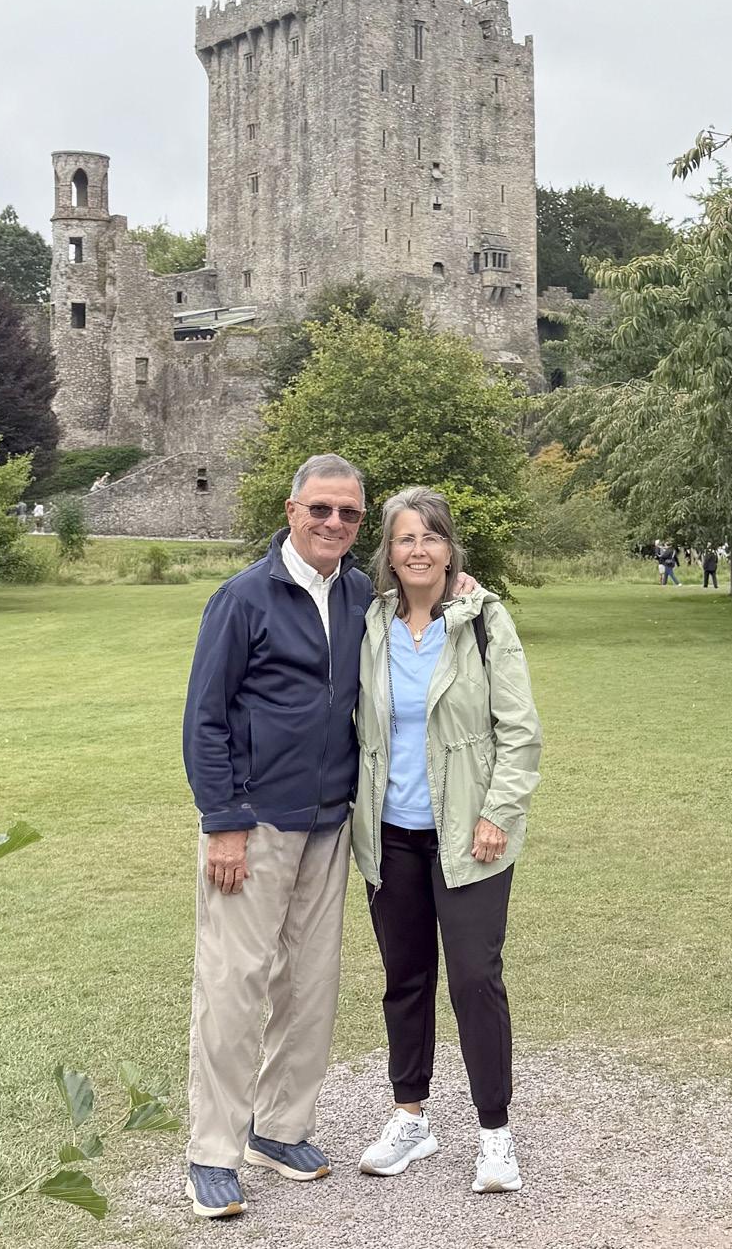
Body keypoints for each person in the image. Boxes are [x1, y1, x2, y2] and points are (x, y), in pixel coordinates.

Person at [181, 455, 477, 1219]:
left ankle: (278, 1131)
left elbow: (420, 604)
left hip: (330, 822)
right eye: (320, 509)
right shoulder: (242, 599)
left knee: (309, 987)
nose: (333, 523)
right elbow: (204, 719)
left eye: (348, 513)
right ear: (291, 511)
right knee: (233, 986)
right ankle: (212, 1152)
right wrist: (222, 823)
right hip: (252, 825)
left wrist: (461, 591)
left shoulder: (357, 597)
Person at [351, 487, 542, 1196]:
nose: (418, 550)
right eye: (405, 538)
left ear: (449, 547)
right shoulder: (371, 620)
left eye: (430, 536)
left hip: (470, 836)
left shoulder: (483, 620)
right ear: (388, 551)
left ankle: (494, 1134)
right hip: (389, 835)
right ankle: (411, 1118)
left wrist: (498, 813)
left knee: (473, 978)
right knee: (405, 979)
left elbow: (519, 732)